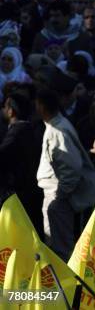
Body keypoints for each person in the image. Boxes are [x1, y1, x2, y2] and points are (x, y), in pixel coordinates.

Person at [36, 87, 95, 261]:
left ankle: (67, 286)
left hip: (58, 195)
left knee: (61, 249)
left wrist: (60, 195)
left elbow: (71, 167)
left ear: (41, 106)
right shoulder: (57, 126)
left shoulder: (57, 131)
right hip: (56, 193)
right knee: (56, 246)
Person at [0, 88, 43, 233]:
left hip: (20, 195)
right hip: (32, 193)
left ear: (11, 111)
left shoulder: (16, 133)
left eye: (5, 106)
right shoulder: (32, 130)